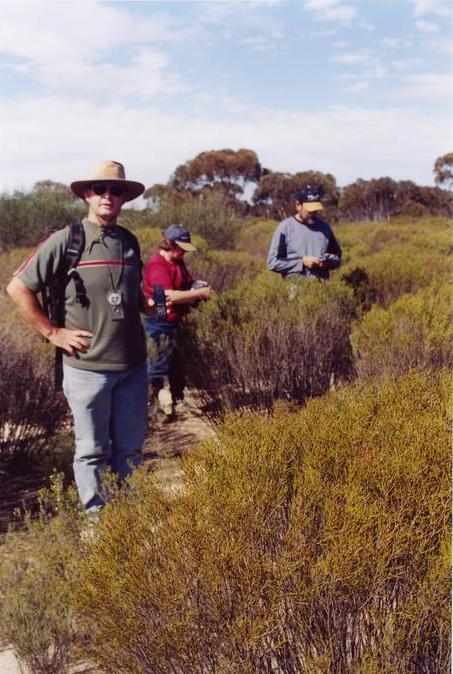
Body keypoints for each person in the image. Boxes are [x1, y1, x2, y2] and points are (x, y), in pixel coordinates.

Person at [6, 160, 150, 518]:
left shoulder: (129, 242)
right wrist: (53, 332)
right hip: (87, 368)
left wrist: (169, 307)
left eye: (115, 190)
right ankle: (98, 525)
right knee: (92, 450)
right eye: (100, 189)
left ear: (123, 198)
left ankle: (128, 519)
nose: (108, 196)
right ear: (87, 194)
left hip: (133, 367)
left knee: (130, 450)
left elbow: (139, 300)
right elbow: (18, 287)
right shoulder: (67, 240)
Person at [143, 224, 213, 419]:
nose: (183, 252)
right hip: (159, 321)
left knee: (177, 364)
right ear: (170, 244)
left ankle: (177, 400)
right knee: (157, 364)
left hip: (176, 321)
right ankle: (155, 405)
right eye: (181, 247)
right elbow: (166, 297)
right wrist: (199, 293)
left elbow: (185, 283)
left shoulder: (177, 262)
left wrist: (196, 286)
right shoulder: (157, 264)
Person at [267, 185, 342, 279]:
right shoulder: (285, 228)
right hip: (296, 290)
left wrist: (327, 263)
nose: (313, 213)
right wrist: (301, 263)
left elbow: (337, 257)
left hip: (322, 290)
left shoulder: (325, 227)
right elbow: (273, 262)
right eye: (309, 210)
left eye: (316, 210)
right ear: (298, 206)